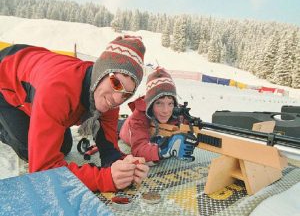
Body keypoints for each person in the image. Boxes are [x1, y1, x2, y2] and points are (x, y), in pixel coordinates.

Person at [0, 35, 149, 192]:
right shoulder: (57, 91)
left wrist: (127, 167)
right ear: (101, 72)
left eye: (127, 94)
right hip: (5, 75)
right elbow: (42, 171)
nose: (118, 98)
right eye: (116, 83)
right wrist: (104, 179)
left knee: (63, 148)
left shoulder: (108, 98)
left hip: (36, 74)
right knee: (28, 150)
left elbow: (109, 149)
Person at [119, 68, 199, 164]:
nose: (166, 111)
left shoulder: (175, 111)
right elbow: (138, 150)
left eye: (170, 103)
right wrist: (165, 148)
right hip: (126, 138)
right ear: (150, 104)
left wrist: (191, 130)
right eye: (159, 103)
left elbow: (186, 123)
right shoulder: (138, 118)